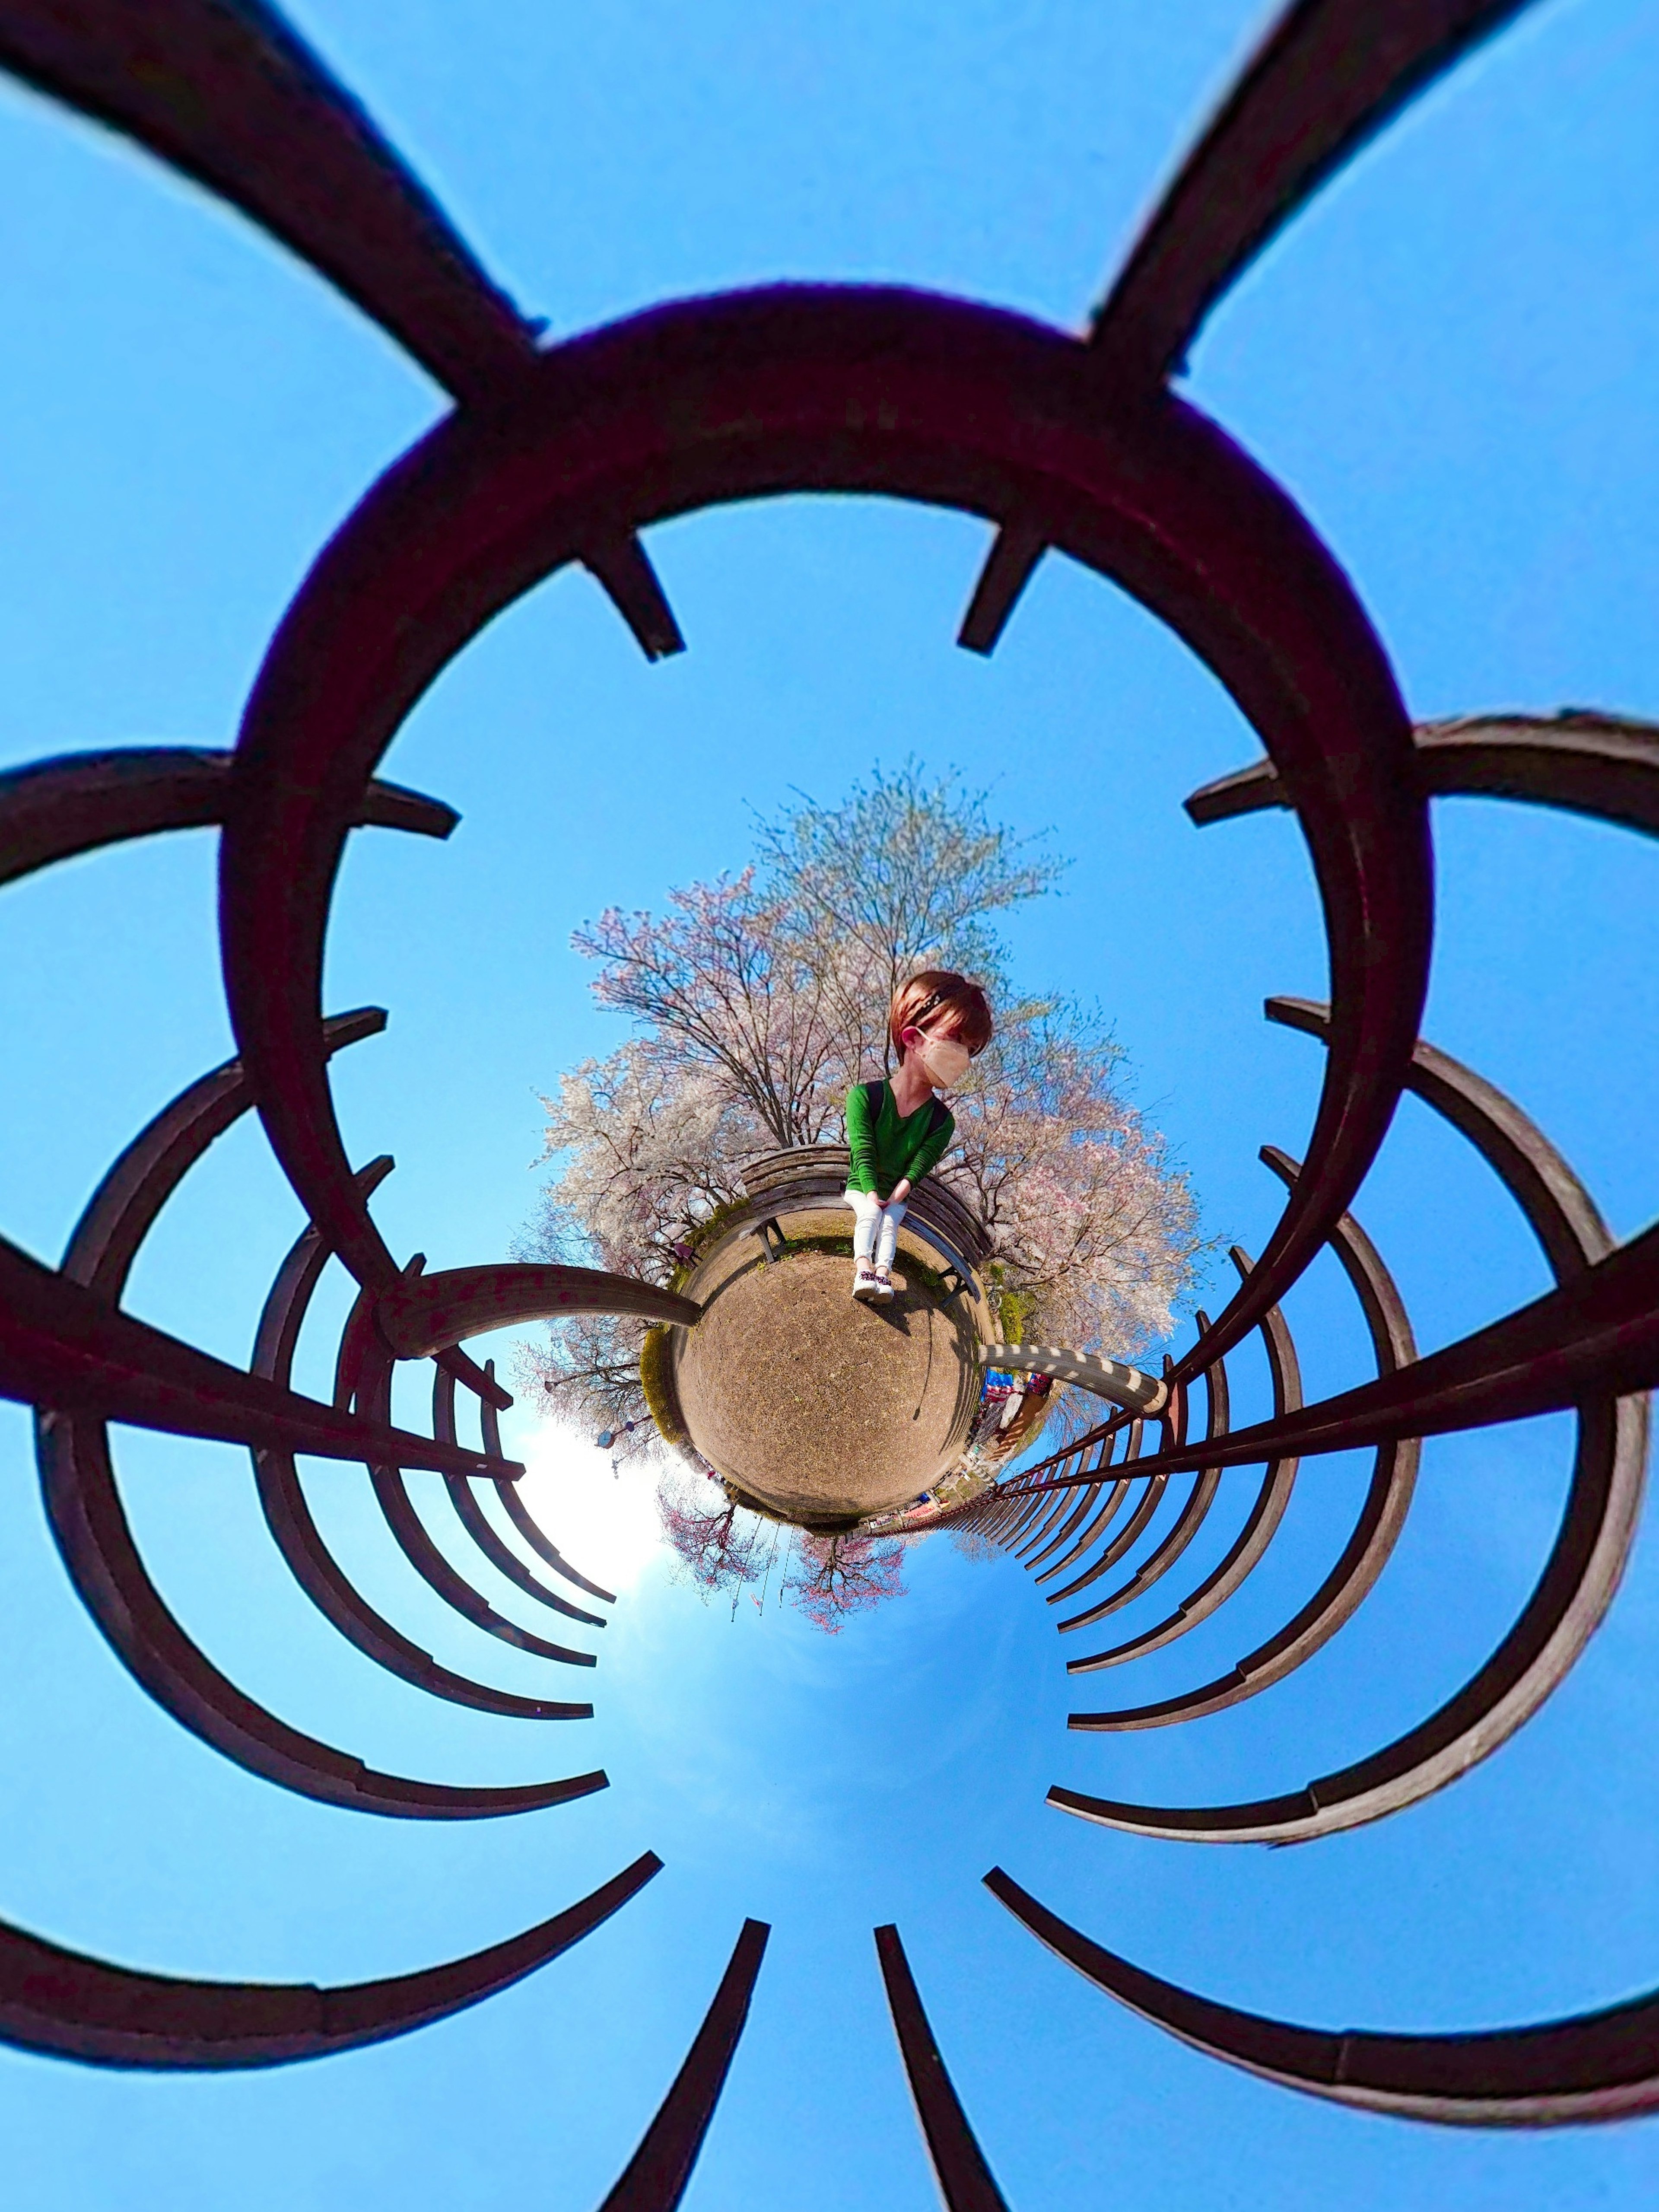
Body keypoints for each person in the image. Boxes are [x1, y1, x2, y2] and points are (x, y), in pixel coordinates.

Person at [844, 970, 992, 1302]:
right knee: (871, 1214)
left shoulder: (942, 1121)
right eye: (957, 1041)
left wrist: (897, 1195)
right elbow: (863, 1151)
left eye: (971, 1050)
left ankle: (883, 1275)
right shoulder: (864, 1098)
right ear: (913, 1038)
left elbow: (920, 1165)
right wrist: (871, 1193)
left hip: (897, 1196)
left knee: (889, 1224)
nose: (964, 1060)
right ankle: (864, 1268)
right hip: (861, 1188)